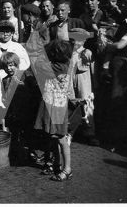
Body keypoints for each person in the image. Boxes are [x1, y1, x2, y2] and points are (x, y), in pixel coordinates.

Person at [33, 39, 75, 182]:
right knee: (54, 137)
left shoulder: (54, 67)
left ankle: (67, 169)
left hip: (54, 106)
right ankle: (56, 165)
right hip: (56, 104)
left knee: (61, 139)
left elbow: (37, 63)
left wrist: (44, 52)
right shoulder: (64, 64)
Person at [102, 0, 127, 146]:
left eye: (126, 3)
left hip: (123, 63)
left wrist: (105, 46)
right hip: (118, 62)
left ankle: (122, 140)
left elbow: (120, 45)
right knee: (122, 102)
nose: (123, 6)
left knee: (119, 101)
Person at [0, 20, 30, 123]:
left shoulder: (17, 47)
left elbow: (25, 63)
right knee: (0, 107)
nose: (5, 34)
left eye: (8, 32)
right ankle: (4, 131)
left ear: (12, 33)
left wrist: (15, 72)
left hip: (13, 80)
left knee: (14, 107)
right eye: (2, 32)